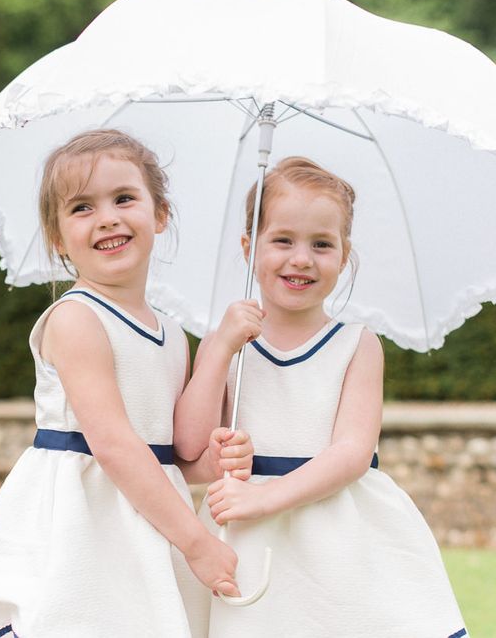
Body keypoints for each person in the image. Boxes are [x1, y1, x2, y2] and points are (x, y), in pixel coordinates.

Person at [0, 129, 254, 638]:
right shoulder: (76, 319)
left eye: (125, 198)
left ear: (160, 213)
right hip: (81, 516)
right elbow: (116, 446)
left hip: (145, 519)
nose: (107, 217)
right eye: (82, 208)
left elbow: (173, 453)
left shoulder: (171, 334)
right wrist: (195, 541)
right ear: (57, 237)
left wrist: (213, 457)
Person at [174, 156, 468, 638]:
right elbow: (188, 444)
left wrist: (265, 500)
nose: (302, 258)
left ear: (344, 254)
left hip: (334, 531)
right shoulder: (222, 343)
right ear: (250, 247)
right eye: (283, 240)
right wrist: (221, 349)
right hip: (243, 534)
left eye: (322, 244)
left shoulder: (357, 344)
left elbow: (352, 452)